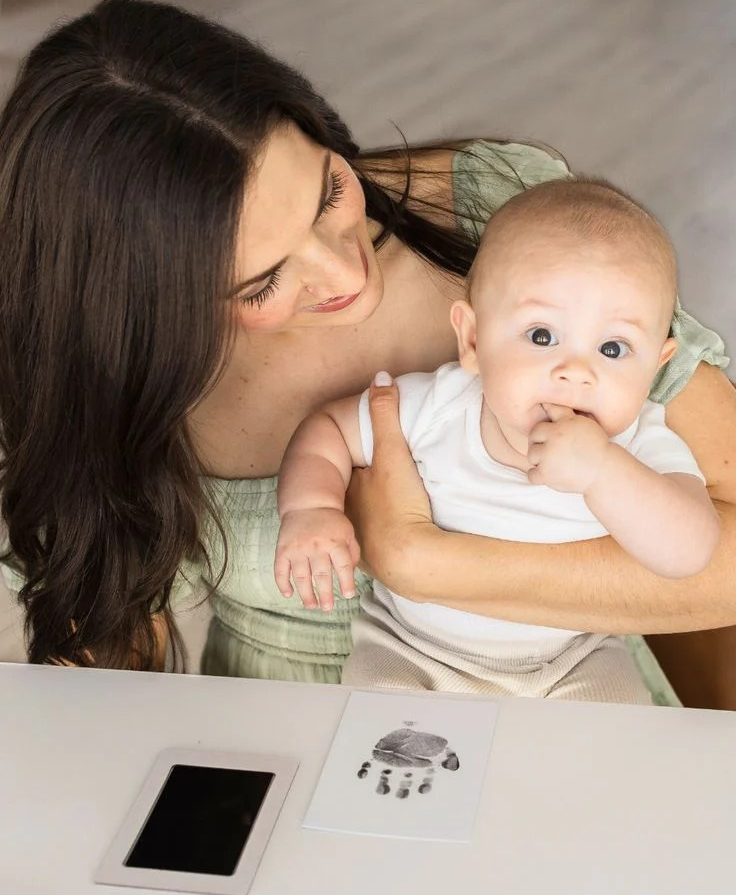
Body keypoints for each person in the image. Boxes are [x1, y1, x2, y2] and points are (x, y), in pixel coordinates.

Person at [0, 0, 734, 707]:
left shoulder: (513, 222)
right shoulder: (119, 380)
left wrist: (421, 561)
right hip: (308, 739)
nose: (350, 275)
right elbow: (104, 671)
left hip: (575, 681)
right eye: (263, 281)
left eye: (329, 191)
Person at [274, 179, 720, 703]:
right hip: (415, 650)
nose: (576, 372)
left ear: (656, 365)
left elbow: (691, 551)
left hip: (573, 659)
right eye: (541, 336)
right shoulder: (442, 406)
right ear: (473, 340)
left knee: (613, 739)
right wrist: (310, 507)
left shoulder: (640, 442)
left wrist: (605, 472)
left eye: (615, 349)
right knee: (381, 726)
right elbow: (328, 429)